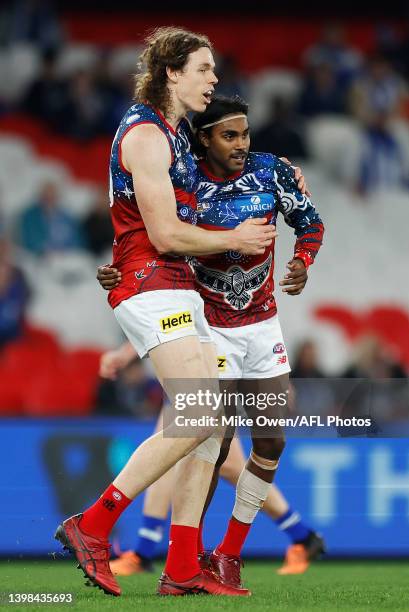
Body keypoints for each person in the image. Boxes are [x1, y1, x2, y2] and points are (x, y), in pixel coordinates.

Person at [54, 27, 276, 598]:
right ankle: (94, 524)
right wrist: (235, 237)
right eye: (204, 69)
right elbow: (164, 232)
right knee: (200, 412)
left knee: (213, 420)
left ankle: (181, 564)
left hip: (177, 286)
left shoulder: (174, 136)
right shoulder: (147, 135)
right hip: (152, 284)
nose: (214, 79)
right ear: (172, 73)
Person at [98, 94, 325, 588]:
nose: (242, 144)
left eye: (245, 134)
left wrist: (303, 261)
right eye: (229, 135)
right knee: (207, 441)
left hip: (263, 323)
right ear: (204, 139)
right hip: (207, 323)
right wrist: (125, 265)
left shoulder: (272, 172)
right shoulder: (184, 179)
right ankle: (181, 556)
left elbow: (310, 222)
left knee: (270, 440)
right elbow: (154, 229)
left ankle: (226, 553)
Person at [98, 340, 325, 577]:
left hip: (212, 370)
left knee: (222, 465)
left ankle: (303, 537)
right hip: (195, 369)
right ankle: (302, 536)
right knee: (188, 459)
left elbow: (244, 317)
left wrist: (275, 371)